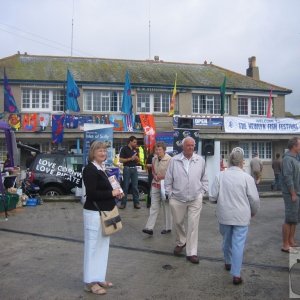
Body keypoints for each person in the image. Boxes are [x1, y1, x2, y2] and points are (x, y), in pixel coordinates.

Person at [210, 147, 260, 285]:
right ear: (242, 162)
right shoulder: (247, 178)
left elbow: (212, 196)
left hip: (224, 215)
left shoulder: (220, 175)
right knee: (238, 244)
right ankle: (236, 274)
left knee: (226, 240)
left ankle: (227, 261)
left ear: (229, 162)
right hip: (242, 216)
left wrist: (216, 200)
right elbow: (254, 200)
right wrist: (253, 211)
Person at [82, 141, 123, 295]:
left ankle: (99, 277)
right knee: (92, 248)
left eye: (105, 151)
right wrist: (111, 194)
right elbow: (92, 194)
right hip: (94, 214)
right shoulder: (90, 169)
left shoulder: (102, 169)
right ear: (93, 152)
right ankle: (90, 282)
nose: (103, 153)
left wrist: (117, 192)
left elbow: (108, 188)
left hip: (105, 213)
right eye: (100, 151)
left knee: (102, 247)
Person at [164, 137, 208, 264]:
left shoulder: (200, 160)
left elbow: (204, 177)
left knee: (193, 225)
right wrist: (169, 194)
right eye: (188, 145)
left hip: (195, 198)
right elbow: (168, 179)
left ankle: (192, 252)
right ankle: (182, 241)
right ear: (182, 147)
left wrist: (203, 191)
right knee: (178, 222)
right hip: (177, 198)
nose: (190, 147)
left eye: (192, 145)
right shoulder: (174, 160)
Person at [143, 142, 172, 235]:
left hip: (165, 186)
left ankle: (168, 228)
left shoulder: (170, 160)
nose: (158, 151)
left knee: (166, 207)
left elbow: (172, 174)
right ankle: (149, 228)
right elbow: (152, 170)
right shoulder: (154, 159)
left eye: (160, 149)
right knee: (154, 206)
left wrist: (163, 177)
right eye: (156, 149)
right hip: (155, 184)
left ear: (164, 150)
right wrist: (155, 176)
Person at [281, 137, 300, 253]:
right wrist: (293, 193)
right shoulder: (288, 159)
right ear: (294, 146)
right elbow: (288, 178)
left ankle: (291, 241)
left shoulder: (296, 158)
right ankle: (285, 244)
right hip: (291, 193)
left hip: (297, 192)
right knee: (289, 219)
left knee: (294, 218)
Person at [119, 136, 141, 209]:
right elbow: (121, 160)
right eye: (134, 142)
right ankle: (123, 204)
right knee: (125, 186)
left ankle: (136, 203)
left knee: (135, 187)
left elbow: (138, 161)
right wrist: (130, 159)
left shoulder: (136, 150)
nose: (135, 143)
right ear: (130, 142)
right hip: (127, 169)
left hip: (134, 169)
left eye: (136, 142)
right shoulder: (124, 149)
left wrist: (137, 159)